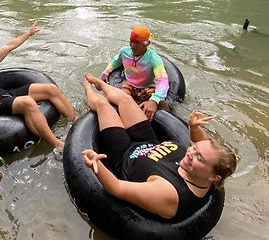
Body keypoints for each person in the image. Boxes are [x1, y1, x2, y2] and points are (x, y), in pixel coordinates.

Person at [82, 73, 237, 221]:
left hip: (125, 154)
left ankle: (88, 88)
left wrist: (97, 165)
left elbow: (116, 188)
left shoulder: (169, 193)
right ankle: (101, 84)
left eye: (199, 157)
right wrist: (194, 128)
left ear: (213, 177)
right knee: (126, 100)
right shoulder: (201, 174)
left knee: (103, 105)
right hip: (149, 141)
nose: (190, 152)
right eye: (194, 149)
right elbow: (199, 145)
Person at [101, 25, 169, 120]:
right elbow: (115, 61)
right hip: (130, 84)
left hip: (147, 86)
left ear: (147, 43)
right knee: (119, 98)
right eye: (131, 41)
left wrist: (154, 100)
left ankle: (170, 118)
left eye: (137, 42)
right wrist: (106, 72)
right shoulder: (124, 52)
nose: (132, 45)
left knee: (162, 104)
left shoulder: (154, 58)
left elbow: (162, 80)